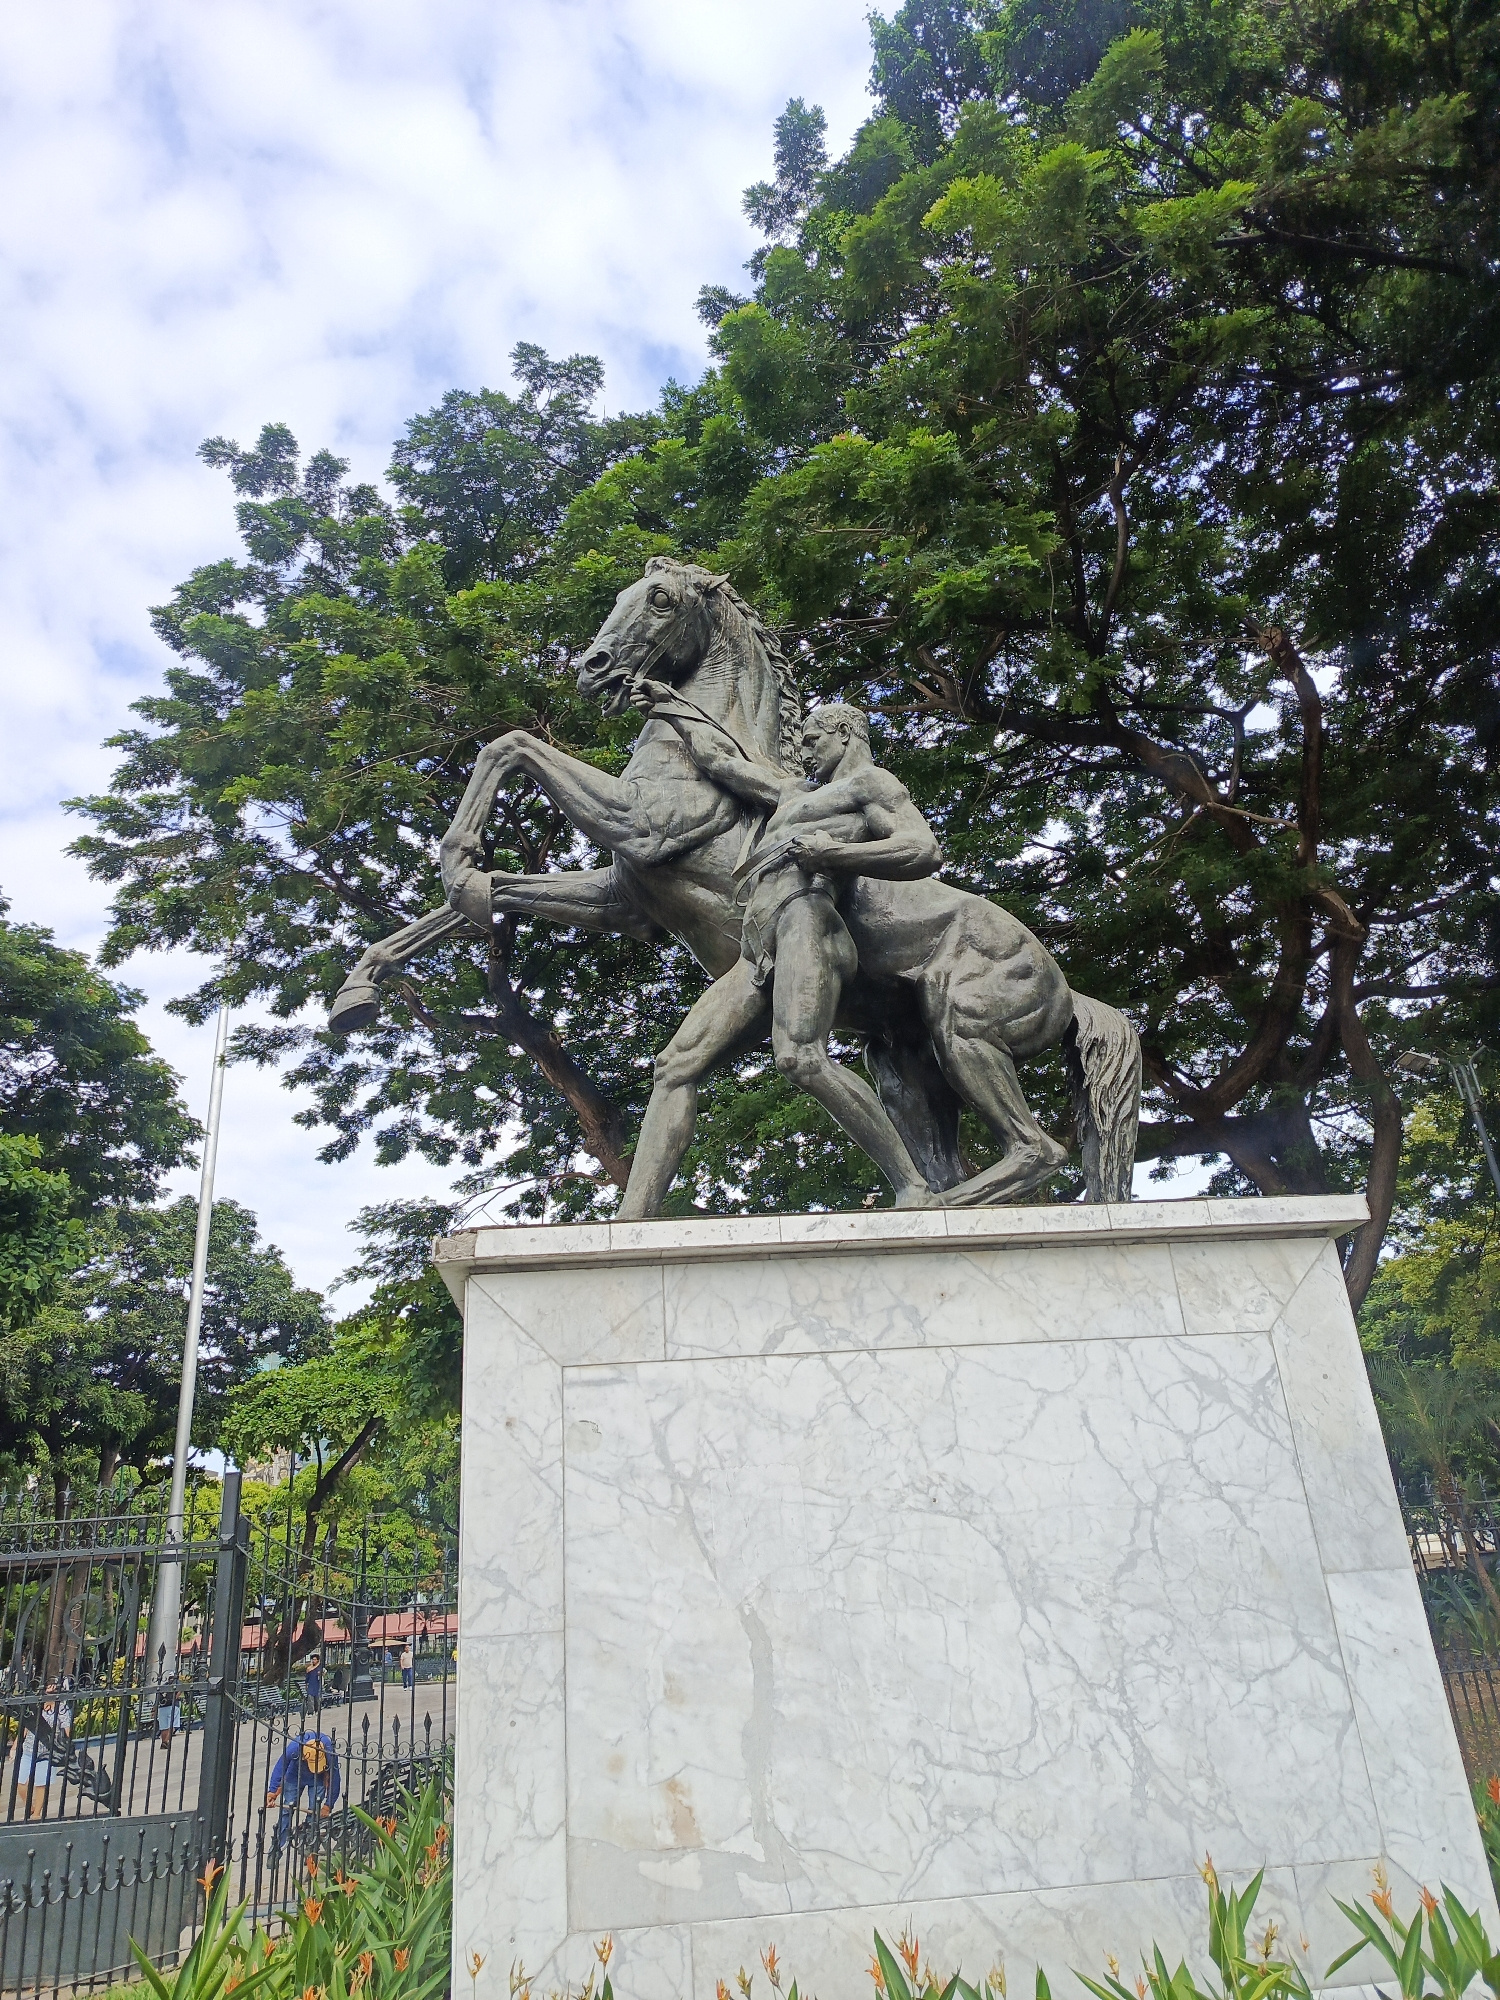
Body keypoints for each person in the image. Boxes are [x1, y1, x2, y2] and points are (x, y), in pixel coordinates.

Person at [627, 693, 945, 1210]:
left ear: (845, 734)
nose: (805, 749)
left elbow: (923, 849)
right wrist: (669, 705)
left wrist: (836, 853)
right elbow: (718, 760)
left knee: (800, 1057)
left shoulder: (873, 785)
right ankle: (632, 1219)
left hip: (807, 921)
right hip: (758, 946)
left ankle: (913, 1188)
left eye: (814, 739)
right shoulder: (793, 791)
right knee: (674, 1066)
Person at [265, 1732, 340, 1851]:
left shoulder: (329, 1750)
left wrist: (328, 1805)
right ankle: (277, 1848)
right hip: (294, 1775)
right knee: (287, 1809)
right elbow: (280, 1767)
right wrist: (272, 1792)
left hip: (319, 1778)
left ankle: (309, 1845)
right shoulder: (294, 1748)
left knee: (314, 1811)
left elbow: (335, 1777)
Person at [15, 1696, 72, 1819]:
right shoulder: (35, 1706)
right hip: (29, 1749)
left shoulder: (61, 1708)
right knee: (20, 1782)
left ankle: (36, 1814)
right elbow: (25, 1727)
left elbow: (66, 1730)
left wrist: (64, 1747)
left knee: (41, 1783)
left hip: (48, 1752)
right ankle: (30, 1807)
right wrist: (15, 1746)